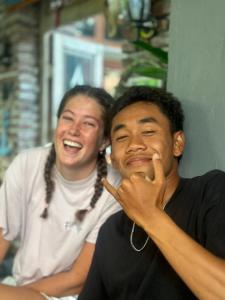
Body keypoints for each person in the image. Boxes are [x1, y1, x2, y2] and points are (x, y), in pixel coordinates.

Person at [78, 86, 225, 300]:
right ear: (113, 158)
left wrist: (150, 215)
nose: (134, 145)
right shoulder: (112, 230)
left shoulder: (212, 192)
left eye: (148, 132)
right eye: (121, 137)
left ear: (177, 144)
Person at [0, 85, 121, 300]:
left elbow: (78, 278)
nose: (74, 130)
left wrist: (16, 296)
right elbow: (1, 235)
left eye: (88, 124)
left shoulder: (113, 188)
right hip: (18, 288)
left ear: (104, 141)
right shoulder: (27, 164)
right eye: (68, 118)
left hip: (70, 296)